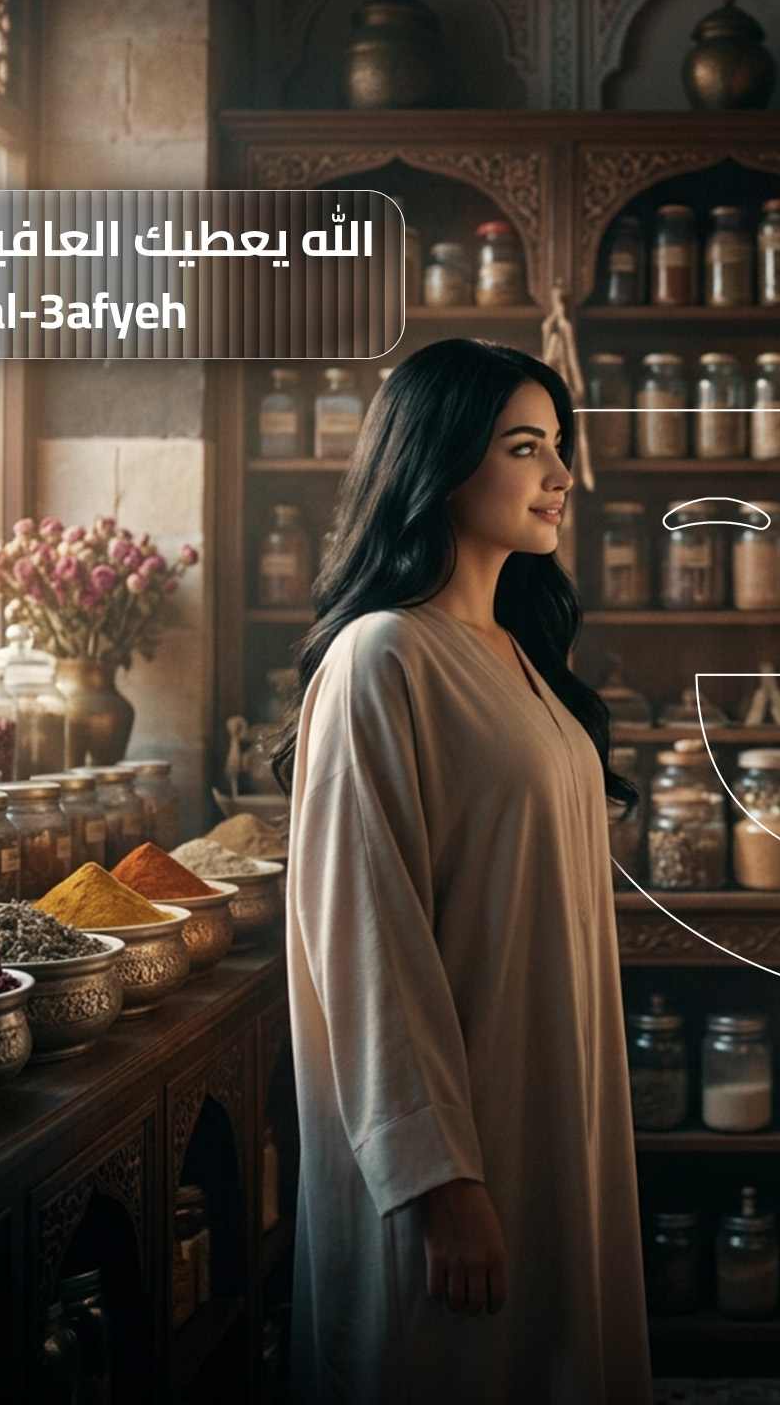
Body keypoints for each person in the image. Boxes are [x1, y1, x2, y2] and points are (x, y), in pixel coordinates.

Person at [275, 338, 652, 1404]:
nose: (560, 473)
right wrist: (438, 1177)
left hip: (553, 1097)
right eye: (524, 447)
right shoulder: (381, 656)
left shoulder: (520, 652)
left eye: (559, 445)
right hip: (454, 1139)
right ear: (438, 463)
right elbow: (367, 938)